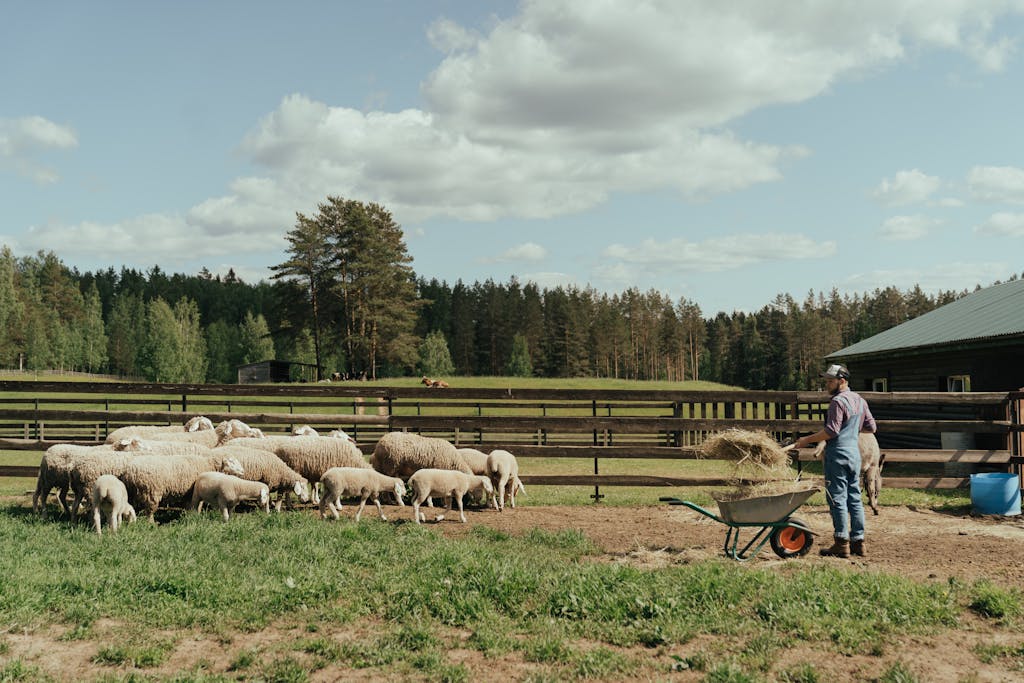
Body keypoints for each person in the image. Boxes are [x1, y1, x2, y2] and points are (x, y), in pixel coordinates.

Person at [793, 363, 877, 558]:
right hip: (854, 455)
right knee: (854, 497)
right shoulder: (860, 400)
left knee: (837, 498)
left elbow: (831, 431)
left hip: (837, 455)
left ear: (843, 381)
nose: (827, 384)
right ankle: (859, 541)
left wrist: (806, 440)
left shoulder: (838, 402)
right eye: (827, 381)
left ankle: (841, 543)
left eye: (831, 381)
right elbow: (871, 427)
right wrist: (852, 432)